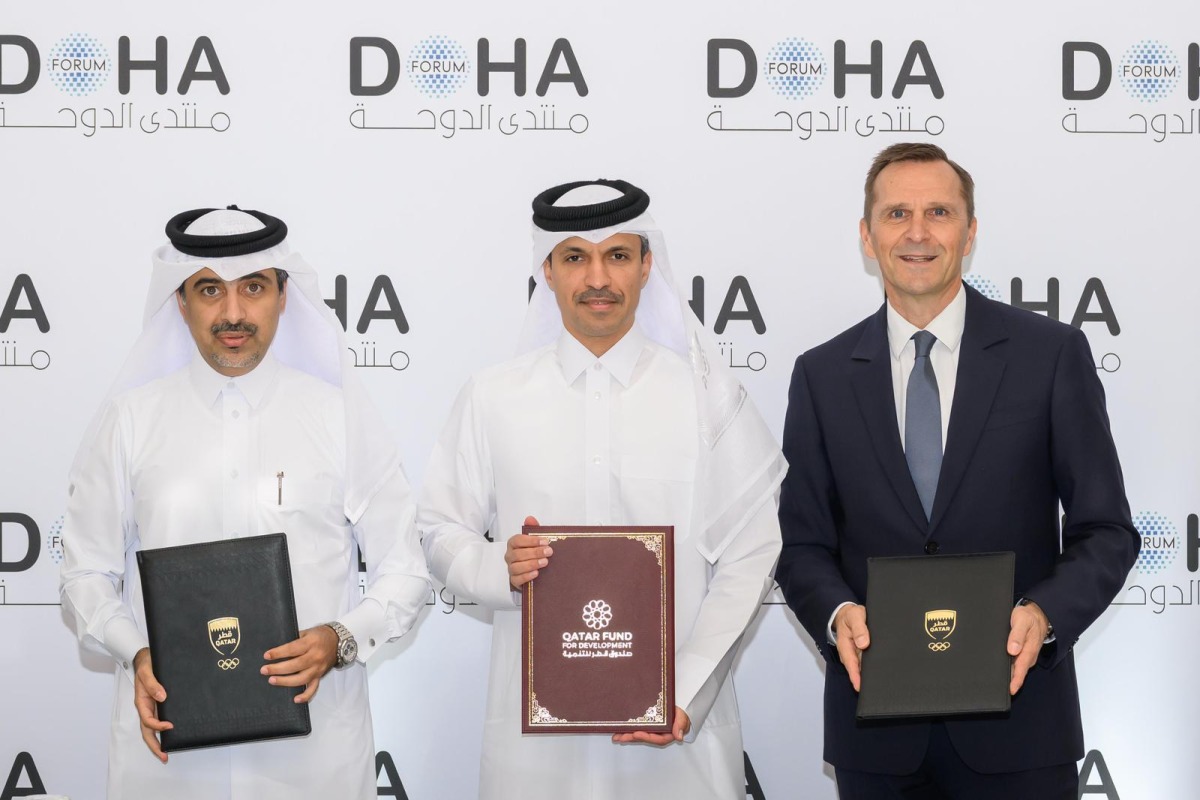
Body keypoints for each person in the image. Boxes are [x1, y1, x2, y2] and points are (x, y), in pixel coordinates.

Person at [775, 142, 1140, 799]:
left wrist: (1045, 613)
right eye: (897, 214)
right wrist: (836, 613)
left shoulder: (1050, 355)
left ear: (970, 233)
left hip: (1022, 728)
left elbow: (1107, 529)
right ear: (867, 235)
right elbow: (801, 544)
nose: (917, 232)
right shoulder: (820, 375)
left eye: (939, 213)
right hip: (876, 737)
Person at [418, 179, 786, 799]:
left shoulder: (707, 399)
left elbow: (751, 553)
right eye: (575, 258)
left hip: (674, 745)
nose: (597, 278)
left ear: (646, 266)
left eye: (617, 255)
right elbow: (438, 529)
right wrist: (497, 566)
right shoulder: (493, 396)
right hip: (536, 751)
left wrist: (685, 688)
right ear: (548, 271)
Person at [60, 206, 431, 799]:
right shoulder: (130, 421)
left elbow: (406, 570)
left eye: (253, 288)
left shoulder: (338, 418)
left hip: (313, 757)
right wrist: (137, 654)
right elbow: (84, 574)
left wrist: (340, 639)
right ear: (181, 303)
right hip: (170, 754)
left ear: (283, 297)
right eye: (210, 290)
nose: (233, 313)